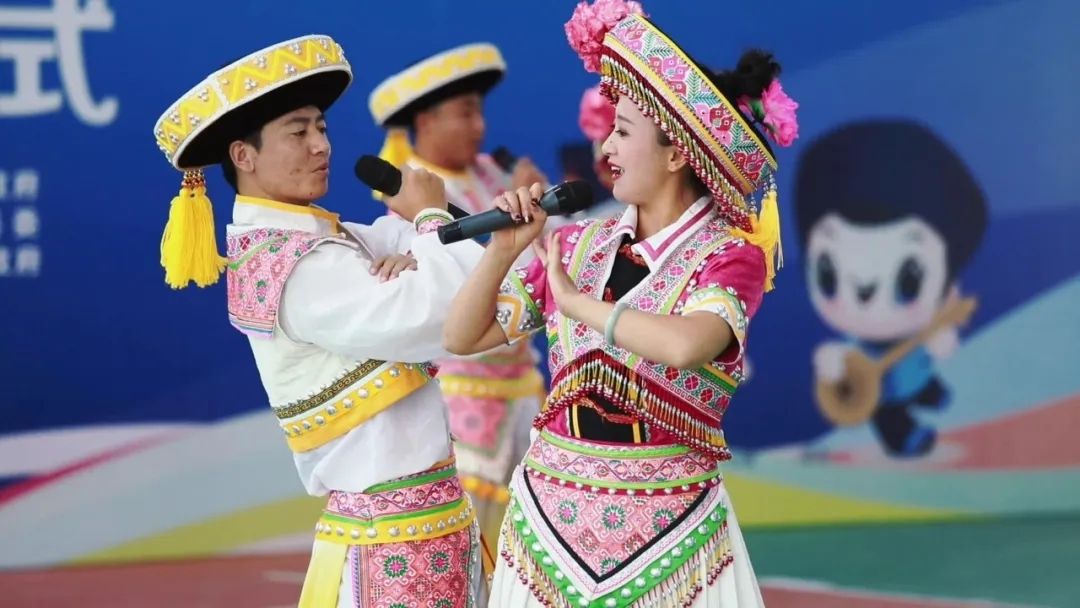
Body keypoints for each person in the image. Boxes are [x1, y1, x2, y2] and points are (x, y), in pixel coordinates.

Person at [441, 1, 801, 605]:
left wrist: (575, 303)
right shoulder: (578, 243)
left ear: (677, 153)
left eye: (624, 132)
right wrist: (502, 251)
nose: (605, 145)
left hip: (671, 527)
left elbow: (687, 344)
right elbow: (462, 337)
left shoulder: (729, 257)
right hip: (549, 520)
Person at [152, 34, 488, 607]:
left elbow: (426, 262)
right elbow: (440, 315)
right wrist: (431, 219)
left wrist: (421, 245)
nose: (321, 146)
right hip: (390, 544)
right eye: (298, 132)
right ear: (243, 156)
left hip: (422, 528)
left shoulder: (329, 240)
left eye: (322, 128)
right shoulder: (298, 267)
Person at [368, 42, 550, 546]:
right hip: (463, 392)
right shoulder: (413, 196)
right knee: (475, 540)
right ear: (426, 121)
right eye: (466, 113)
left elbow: (538, 265)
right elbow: (451, 285)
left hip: (523, 384)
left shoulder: (492, 174)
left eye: (480, 112)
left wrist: (543, 207)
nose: (480, 126)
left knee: (533, 534)